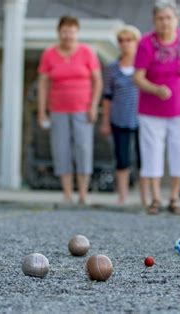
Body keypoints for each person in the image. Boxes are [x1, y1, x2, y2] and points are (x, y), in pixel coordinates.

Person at [134, 0, 180, 214]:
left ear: (177, 19)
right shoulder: (146, 42)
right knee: (153, 152)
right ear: (154, 21)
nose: (165, 22)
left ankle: (175, 197)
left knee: (179, 151)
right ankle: (155, 199)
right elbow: (138, 77)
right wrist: (155, 89)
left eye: (169, 18)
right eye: (160, 18)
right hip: (151, 110)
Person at [37, 16, 103, 205]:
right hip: (58, 109)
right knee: (61, 149)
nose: (68, 35)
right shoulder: (49, 54)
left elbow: (97, 81)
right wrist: (42, 111)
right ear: (59, 33)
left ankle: (83, 194)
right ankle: (67, 193)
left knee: (83, 148)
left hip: (83, 109)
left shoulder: (87, 52)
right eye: (64, 31)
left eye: (71, 31)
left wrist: (93, 106)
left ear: (77, 32)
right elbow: (43, 85)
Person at [100, 25, 149, 206]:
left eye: (129, 40)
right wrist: (105, 121)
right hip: (119, 118)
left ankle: (145, 197)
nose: (125, 44)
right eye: (121, 40)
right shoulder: (112, 69)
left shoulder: (144, 67)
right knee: (122, 158)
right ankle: (123, 196)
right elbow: (107, 96)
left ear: (136, 42)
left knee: (144, 159)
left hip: (142, 119)